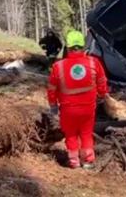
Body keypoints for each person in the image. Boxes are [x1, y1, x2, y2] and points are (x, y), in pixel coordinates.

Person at [47, 30, 108, 169]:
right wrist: (102, 95)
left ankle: (74, 161)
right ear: (83, 46)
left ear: (67, 47)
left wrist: (53, 106)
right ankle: (87, 161)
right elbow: (102, 82)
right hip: (88, 108)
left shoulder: (58, 66)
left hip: (68, 109)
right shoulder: (94, 63)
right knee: (86, 134)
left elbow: (52, 89)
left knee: (71, 134)